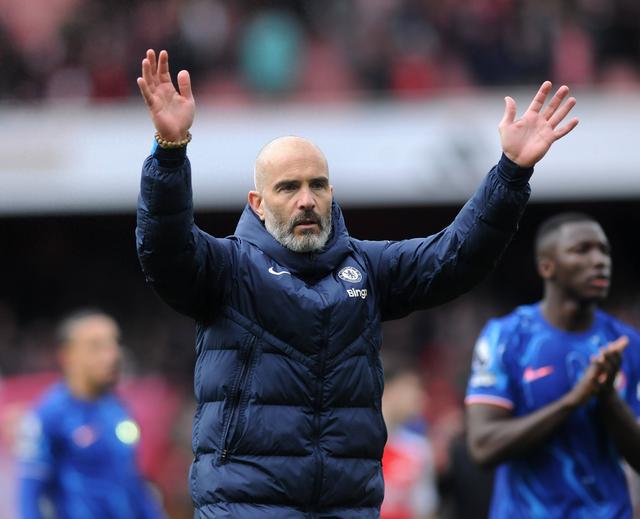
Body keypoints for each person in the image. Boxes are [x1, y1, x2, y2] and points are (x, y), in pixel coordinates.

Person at [135, 48, 578, 518]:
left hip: (347, 508)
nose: (307, 199)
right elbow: (165, 249)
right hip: (246, 509)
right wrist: (170, 152)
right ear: (258, 203)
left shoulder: (367, 267)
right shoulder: (227, 268)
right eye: (288, 187)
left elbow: (455, 257)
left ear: (331, 193)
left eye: (317, 185)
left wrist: (510, 173)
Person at [465, 213, 640, 518]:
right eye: (582, 250)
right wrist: (572, 401)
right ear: (547, 266)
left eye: (604, 251)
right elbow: (483, 447)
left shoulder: (626, 344)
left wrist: (607, 396)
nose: (599, 261)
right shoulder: (507, 337)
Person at [16, 309, 166, 519]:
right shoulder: (48, 415)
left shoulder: (117, 410)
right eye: (96, 346)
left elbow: (133, 483)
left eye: (114, 343)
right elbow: (29, 495)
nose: (112, 355)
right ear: (67, 355)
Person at [380, 362, 438, 519]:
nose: (422, 398)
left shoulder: (418, 450)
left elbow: (425, 512)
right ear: (389, 388)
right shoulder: (352, 447)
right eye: (413, 387)